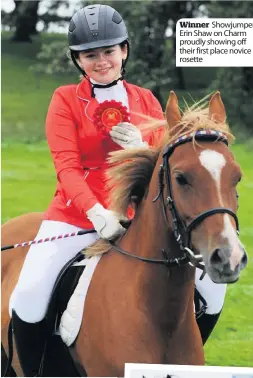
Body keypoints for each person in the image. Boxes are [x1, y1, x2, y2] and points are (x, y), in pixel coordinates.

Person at [9, 4, 226, 376]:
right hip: (76, 216)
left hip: (140, 219)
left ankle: (177, 364)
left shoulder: (145, 100)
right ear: (78, 59)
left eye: (108, 51)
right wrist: (96, 212)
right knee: (28, 296)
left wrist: (142, 140)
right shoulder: (64, 99)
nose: (101, 61)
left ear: (123, 50)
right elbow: (67, 166)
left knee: (213, 289)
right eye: (90, 55)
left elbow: (164, 162)